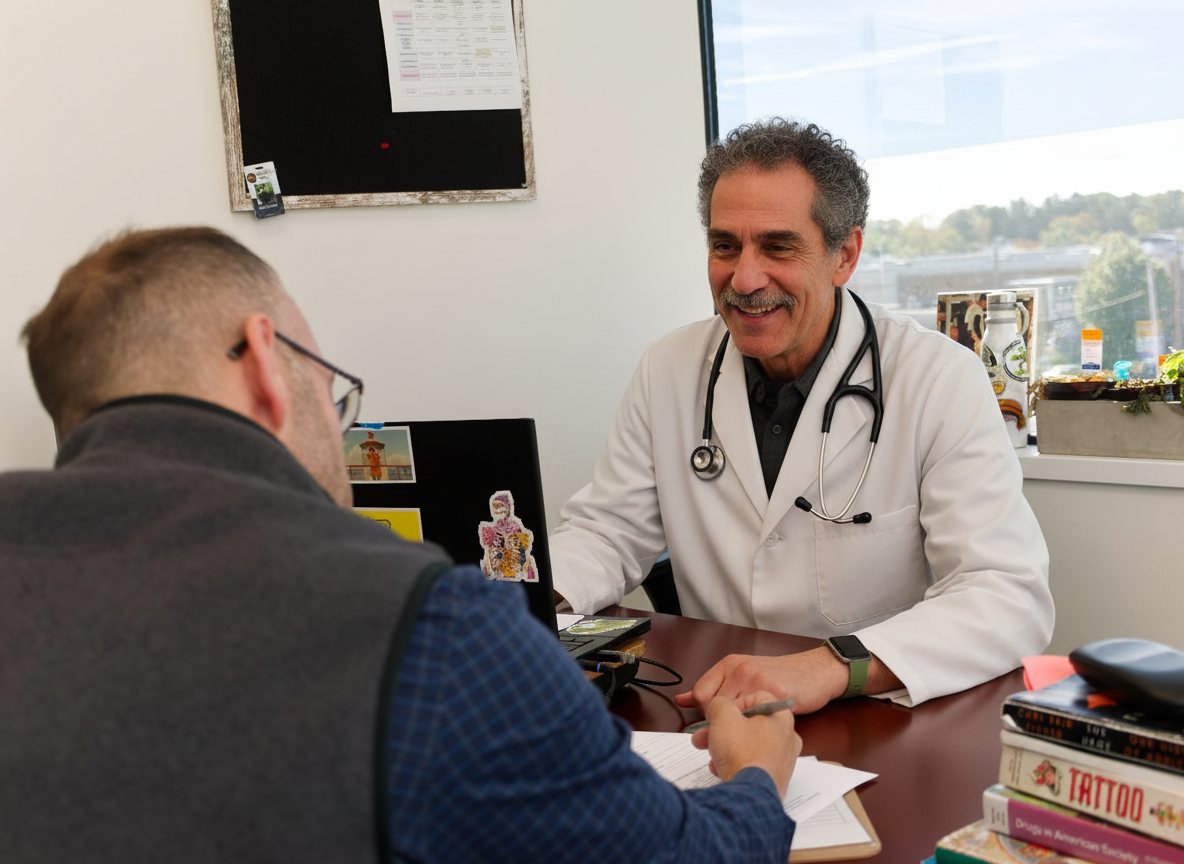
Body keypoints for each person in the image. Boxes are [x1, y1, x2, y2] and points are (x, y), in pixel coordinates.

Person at [0, 227, 800, 863]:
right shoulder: (426, 621)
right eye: (324, 377)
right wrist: (758, 773)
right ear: (267, 367)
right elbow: (680, 854)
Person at [550, 119, 1055, 716]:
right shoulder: (671, 368)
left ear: (844, 255)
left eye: (778, 246)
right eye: (724, 246)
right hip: (719, 705)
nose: (743, 279)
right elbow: (607, 531)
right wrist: (513, 601)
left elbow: (1006, 595)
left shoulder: (938, 378)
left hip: (878, 707)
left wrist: (835, 664)